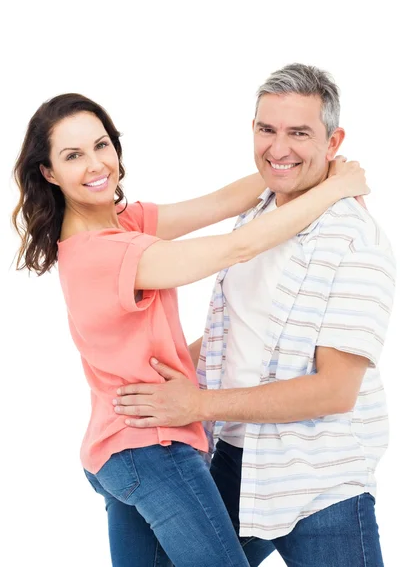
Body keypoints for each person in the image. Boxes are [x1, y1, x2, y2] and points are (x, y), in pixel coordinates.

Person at [13, 92, 367, 567]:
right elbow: (238, 247)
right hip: (152, 449)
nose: (96, 164)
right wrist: (335, 188)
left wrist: (313, 167)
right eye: (73, 155)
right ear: (49, 173)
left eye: (101, 145)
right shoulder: (105, 253)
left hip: (118, 451)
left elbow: (225, 201)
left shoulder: (124, 222)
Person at [114, 64, 396, 567]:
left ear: (333, 142)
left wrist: (194, 404)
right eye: (267, 129)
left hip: (319, 480)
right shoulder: (261, 208)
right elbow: (240, 334)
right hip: (236, 458)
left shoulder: (356, 241)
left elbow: (334, 390)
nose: (278, 147)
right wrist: (155, 381)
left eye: (299, 133)